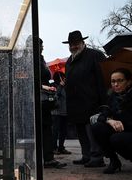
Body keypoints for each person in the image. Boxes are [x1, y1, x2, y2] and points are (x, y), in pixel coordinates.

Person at [90, 68, 132, 174]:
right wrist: (109, 121)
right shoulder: (113, 97)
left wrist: (120, 119)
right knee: (97, 127)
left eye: (120, 81)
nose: (116, 84)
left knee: (116, 138)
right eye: (113, 81)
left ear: (129, 82)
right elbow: (103, 114)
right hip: (124, 130)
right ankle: (114, 161)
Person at [63, 30, 107, 167]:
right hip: (75, 103)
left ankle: (97, 156)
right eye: (71, 44)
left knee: (91, 130)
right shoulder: (69, 61)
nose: (73, 47)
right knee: (81, 130)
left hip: (92, 101)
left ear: (82, 43)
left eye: (76, 43)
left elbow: (103, 79)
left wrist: (104, 102)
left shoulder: (95, 55)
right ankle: (86, 155)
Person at [39, 38, 66, 169]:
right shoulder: (31, 59)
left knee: (46, 128)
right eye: (40, 45)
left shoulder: (41, 59)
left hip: (44, 99)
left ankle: (48, 158)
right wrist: (43, 87)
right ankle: (44, 158)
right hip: (38, 98)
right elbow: (27, 78)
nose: (42, 47)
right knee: (43, 128)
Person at [51, 72, 72, 155]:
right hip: (56, 112)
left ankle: (61, 147)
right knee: (55, 131)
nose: (64, 78)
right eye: (62, 77)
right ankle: (54, 148)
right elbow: (55, 96)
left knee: (63, 131)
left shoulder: (65, 86)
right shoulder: (54, 86)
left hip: (64, 112)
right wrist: (60, 86)